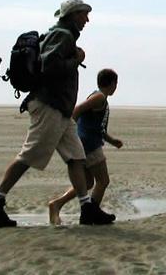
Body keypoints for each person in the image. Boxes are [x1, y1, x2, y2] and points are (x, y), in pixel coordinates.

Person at [0, 0, 114, 227]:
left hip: (60, 109)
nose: (87, 19)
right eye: (84, 15)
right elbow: (50, 66)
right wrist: (76, 59)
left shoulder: (63, 35)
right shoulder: (62, 35)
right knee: (28, 155)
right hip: (49, 106)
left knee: (76, 156)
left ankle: (86, 208)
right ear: (73, 15)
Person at [49, 69, 122, 225]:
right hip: (89, 145)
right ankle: (91, 213)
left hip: (87, 143)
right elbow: (76, 110)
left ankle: (57, 204)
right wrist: (69, 131)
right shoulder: (99, 97)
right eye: (116, 83)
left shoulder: (100, 98)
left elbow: (99, 128)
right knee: (103, 181)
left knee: (87, 183)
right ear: (111, 83)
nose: (117, 87)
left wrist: (112, 140)